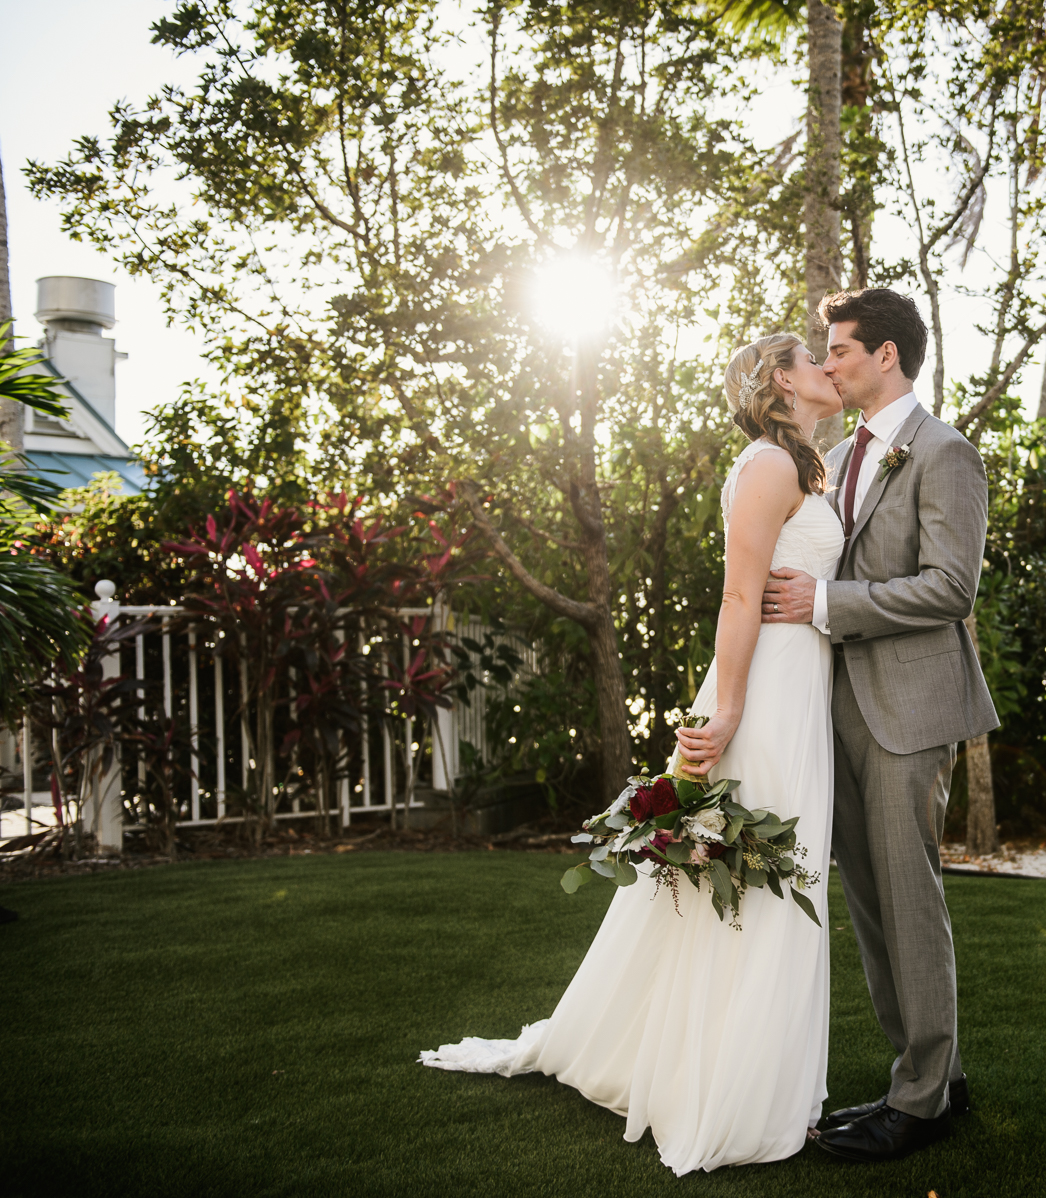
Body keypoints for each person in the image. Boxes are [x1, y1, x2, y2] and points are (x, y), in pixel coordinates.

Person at [419, 332, 845, 1176]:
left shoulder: (801, 463)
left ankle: (744, 1066)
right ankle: (724, 1085)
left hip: (801, 684)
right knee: (760, 873)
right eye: (815, 361)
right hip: (763, 690)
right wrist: (726, 709)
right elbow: (736, 592)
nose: (832, 371)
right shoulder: (767, 465)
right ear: (779, 382)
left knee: (766, 875)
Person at [760, 287, 1000, 1163]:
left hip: (909, 708)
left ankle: (923, 1105)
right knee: (868, 907)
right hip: (840, 710)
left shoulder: (945, 452)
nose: (828, 365)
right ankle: (927, 1078)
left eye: (843, 350)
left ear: (888, 355)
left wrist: (827, 601)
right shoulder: (837, 454)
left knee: (910, 901)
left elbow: (951, 587)